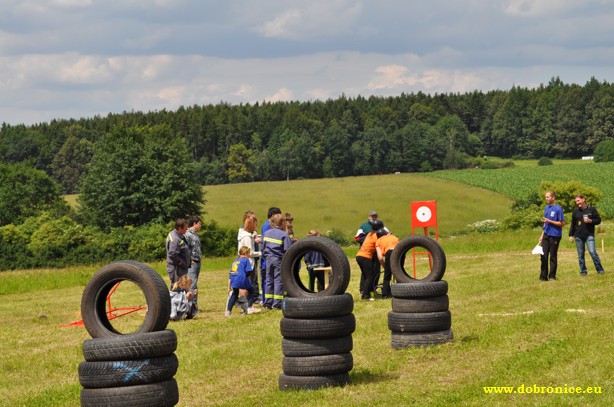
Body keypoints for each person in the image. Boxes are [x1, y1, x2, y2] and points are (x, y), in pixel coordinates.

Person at [568, 194, 605, 276]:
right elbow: (573, 224)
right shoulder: (575, 211)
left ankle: (600, 270)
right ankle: (583, 271)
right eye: (576, 201)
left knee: (592, 252)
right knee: (580, 255)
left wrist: (590, 221)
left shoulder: (592, 209)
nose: (577, 203)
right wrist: (571, 235)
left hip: (589, 235)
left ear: (583, 199)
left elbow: (598, 220)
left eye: (578, 200)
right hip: (578, 236)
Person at [262, 213, 292, 309]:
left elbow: (263, 248)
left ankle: (267, 303)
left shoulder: (266, 233)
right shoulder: (284, 235)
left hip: (268, 259)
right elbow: (288, 251)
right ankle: (277, 303)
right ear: (282, 223)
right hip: (278, 260)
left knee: (269, 280)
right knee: (278, 280)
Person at [225, 246, 261, 316]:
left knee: (235, 294)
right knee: (251, 291)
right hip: (241, 279)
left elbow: (231, 274)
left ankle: (228, 311)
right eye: (249, 253)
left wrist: (229, 287)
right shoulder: (245, 260)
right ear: (246, 253)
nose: (249, 255)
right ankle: (249, 308)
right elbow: (248, 271)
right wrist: (248, 281)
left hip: (233, 279)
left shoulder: (235, 261)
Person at [538, 190, 565, 281]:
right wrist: (542, 235)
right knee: (543, 255)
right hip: (546, 234)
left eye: (548, 197)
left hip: (555, 235)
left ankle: (552, 276)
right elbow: (545, 223)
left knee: (552, 255)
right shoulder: (546, 208)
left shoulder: (558, 209)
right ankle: (543, 276)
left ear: (553, 197)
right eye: (546, 197)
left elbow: (562, 223)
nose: (546, 199)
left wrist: (550, 221)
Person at [356, 219, 385, 300]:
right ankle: (365, 295)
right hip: (366, 256)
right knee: (370, 276)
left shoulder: (369, 234)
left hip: (359, 255)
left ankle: (365, 292)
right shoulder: (377, 236)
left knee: (366, 275)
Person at [237, 211, 262, 300]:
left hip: (243, 261)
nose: (256, 227)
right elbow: (250, 253)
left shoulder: (242, 233)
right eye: (255, 224)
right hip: (249, 263)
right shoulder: (247, 237)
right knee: (247, 283)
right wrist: (262, 253)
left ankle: (243, 301)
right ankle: (247, 302)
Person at [260, 207, 281, 303]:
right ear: (274, 216)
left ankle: (267, 300)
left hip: (267, 258)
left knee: (268, 279)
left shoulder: (265, 225)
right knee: (271, 279)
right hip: (271, 258)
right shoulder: (269, 226)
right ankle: (270, 300)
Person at [166, 218, 191, 286]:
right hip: (177, 269)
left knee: (182, 287)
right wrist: (180, 263)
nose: (186, 230)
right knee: (177, 287)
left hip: (180, 268)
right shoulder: (175, 239)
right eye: (185, 228)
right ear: (180, 228)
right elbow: (172, 254)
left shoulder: (178, 235)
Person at [184, 215, 202, 307]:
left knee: (194, 283)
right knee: (192, 284)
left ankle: (194, 304)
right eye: (199, 224)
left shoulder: (195, 235)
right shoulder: (187, 234)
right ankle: (192, 305)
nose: (200, 226)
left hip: (198, 262)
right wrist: (189, 259)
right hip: (192, 263)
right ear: (194, 223)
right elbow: (184, 248)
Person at [375, 227, 399, 298]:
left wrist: (386, 267)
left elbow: (380, 258)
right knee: (400, 273)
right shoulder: (393, 236)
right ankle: (401, 292)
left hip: (390, 252)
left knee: (387, 276)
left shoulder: (378, 241)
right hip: (400, 251)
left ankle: (385, 295)